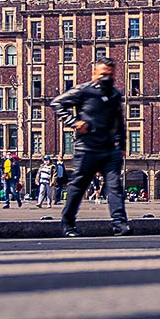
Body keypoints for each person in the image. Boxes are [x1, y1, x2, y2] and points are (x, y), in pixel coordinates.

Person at [53, 60, 130, 237]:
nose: (107, 77)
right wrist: (74, 122)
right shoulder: (83, 91)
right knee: (78, 186)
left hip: (110, 149)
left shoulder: (114, 95)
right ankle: (67, 224)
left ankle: (120, 224)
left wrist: (122, 145)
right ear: (94, 74)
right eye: (103, 74)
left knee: (114, 186)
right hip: (87, 148)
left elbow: (119, 122)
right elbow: (57, 103)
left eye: (110, 74)